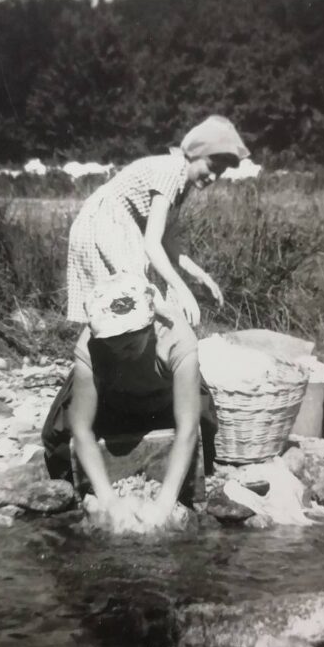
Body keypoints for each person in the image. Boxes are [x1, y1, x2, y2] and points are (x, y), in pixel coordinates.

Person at [42, 273, 217, 531]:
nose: (121, 349)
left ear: (150, 324)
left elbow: (187, 427)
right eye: (113, 342)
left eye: (131, 340)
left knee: (205, 434)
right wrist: (109, 500)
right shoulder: (89, 344)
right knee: (56, 438)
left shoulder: (176, 336)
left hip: (164, 398)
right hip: (113, 395)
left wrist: (163, 504)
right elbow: (81, 428)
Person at [66, 115, 249, 327]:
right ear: (196, 153)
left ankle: (128, 354)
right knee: (120, 305)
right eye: (211, 167)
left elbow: (167, 240)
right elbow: (152, 245)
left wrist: (201, 276)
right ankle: (95, 357)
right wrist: (182, 289)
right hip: (104, 226)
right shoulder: (171, 171)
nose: (213, 178)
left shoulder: (183, 182)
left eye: (220, 173)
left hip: (118, 228)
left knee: (123, 308)